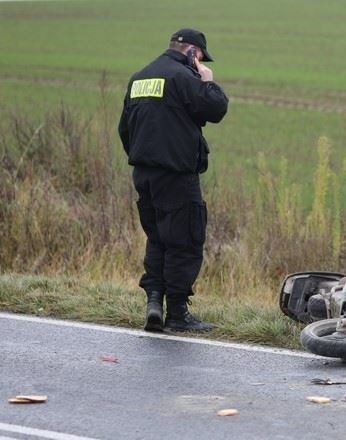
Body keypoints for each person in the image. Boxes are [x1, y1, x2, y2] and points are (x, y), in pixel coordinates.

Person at [118, 28, 229, 332]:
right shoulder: (183, 77)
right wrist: (207, 79)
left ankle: (154, 302)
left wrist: (144, 158)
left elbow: (125, 129)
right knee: (185, 240)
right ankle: (177, 315)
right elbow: (215, 108)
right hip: (176, 176)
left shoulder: (140, 78)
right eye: (201, 57)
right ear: (193, 52)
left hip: (144, 175)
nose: (201, 62)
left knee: (158, 239)